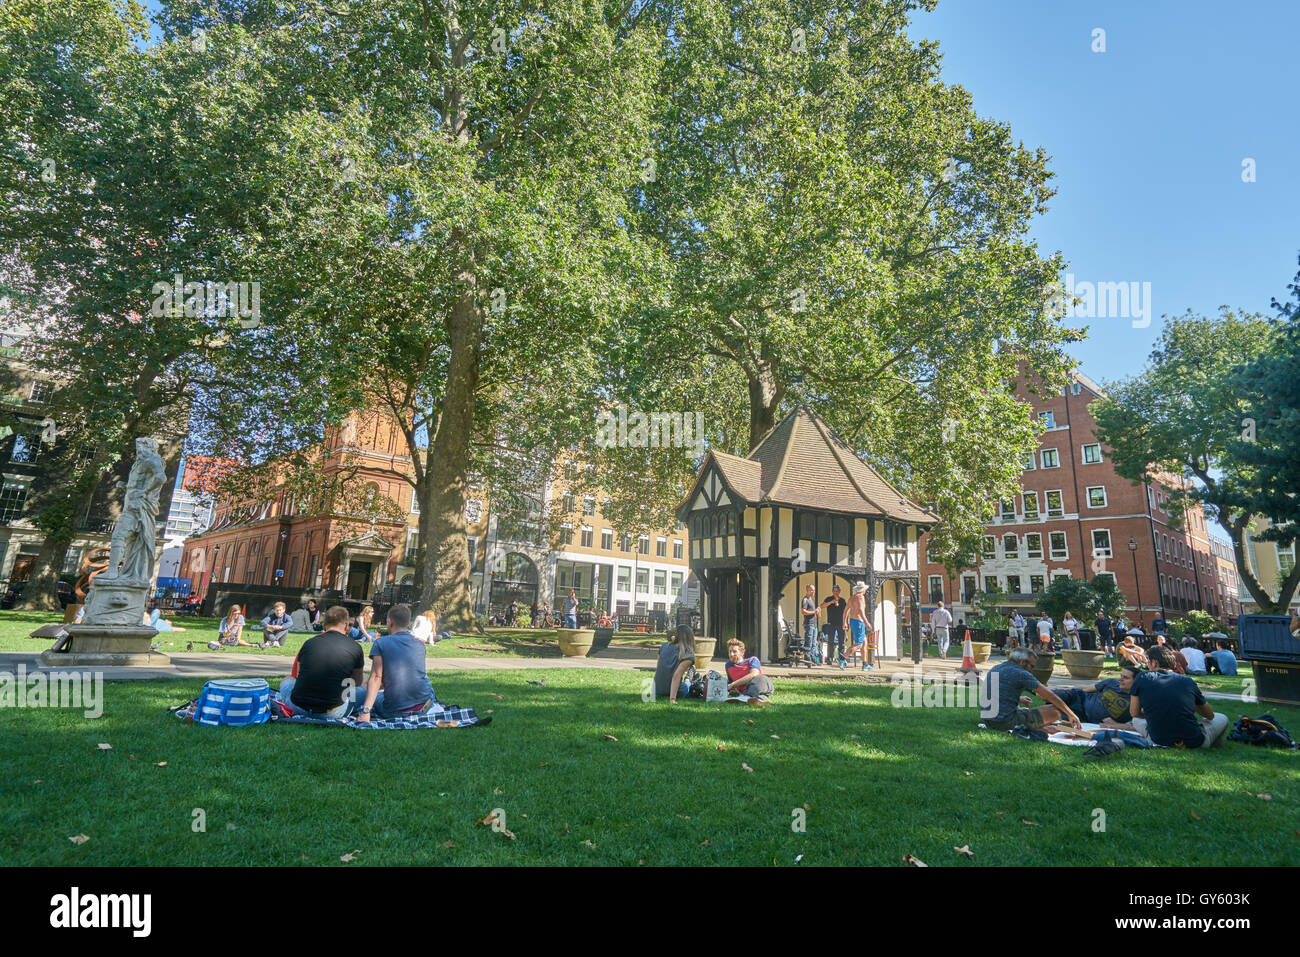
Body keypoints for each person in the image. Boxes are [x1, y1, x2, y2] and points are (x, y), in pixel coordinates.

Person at [1129, 644, 1229, 749]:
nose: (1147, 665)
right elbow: (1210, 715)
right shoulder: (1187, 681)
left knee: (1136, 720)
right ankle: (1217, 746)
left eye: (1148, 662)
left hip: (1159, 741)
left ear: (1154, 663)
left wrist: (1154, 714)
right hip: (1194, 742)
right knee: (1221, 717)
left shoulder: (1142, 678)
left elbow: (1134, 712)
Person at [279, 605, 367, 718]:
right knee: (364, 685)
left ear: (324, 626)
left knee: (287, 681)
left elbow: (298, 676)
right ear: (346, 625)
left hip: (298, 707)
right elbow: (356, 682)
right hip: (332, 711)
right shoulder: (355, 647)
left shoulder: (309, 643)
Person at [356, 604, 436, 721]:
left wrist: (365, 712)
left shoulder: (381, 643)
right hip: (424, 706)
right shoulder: (420, 644)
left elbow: (376, 677)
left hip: (395, 711)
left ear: (389, 622)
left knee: (369, 692)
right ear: (408, 623)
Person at [979, 647, 1082, 732]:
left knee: (1030, 710)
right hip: (1004, 722)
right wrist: (1071, 714)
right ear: (1023, 662)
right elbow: (1050, 696)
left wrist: (1018, 699)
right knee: (1055, 711)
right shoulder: (1021, 673)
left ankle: (1036, 726)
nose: (1032, 670)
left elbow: (994, 692)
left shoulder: (996, 668)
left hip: (989, 720)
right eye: (1031, 666)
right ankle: (1038, 728)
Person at [1050, 664, 1141, 727]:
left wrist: (1116, 724)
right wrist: (1065, 690)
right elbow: (1086, 689)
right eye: (1121, 676)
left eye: (1126, 678)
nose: (1121, 679)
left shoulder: (1137, 700)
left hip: (1082, 717)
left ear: (1136, 682)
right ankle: (1038, 690)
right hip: (1079, 698)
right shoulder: (1112, 682)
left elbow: (1141, 724)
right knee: (1051, 695)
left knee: (1052, 716)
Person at [656, 625, 697, 704]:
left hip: (657, 689)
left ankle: (690, 674)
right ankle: (689, 677)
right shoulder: (688, 654)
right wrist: (672, 699)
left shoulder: (664, 646)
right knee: (687, 685)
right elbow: (676, 676)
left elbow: (659, 667)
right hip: (675, 690)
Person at [724, 638, 773, 704]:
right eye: (730, 651)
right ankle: (757, 700)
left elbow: (754, 674)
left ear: (742, 652)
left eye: (734, 651)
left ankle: (746, 697)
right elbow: (731, 683)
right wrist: (733, 689)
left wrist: (733, 684)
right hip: (745, 692)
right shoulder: (728, 665)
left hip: (760, 686)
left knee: (761, 678)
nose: (731, 654)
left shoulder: (752, 660)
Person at [843, 581, 875, 670]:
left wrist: (844, 622)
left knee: (864, 642)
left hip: (853, 621)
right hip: (859, 622)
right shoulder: (860, 597)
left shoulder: (852, 598)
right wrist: (866, 622)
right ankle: (842, 658)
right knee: (859, 644)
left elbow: (845, 610)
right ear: (863, 590)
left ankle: (865, 664)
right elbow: (861, 611)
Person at [820, 584, 847, 664]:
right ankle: (829, 658)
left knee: (841, 642)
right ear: (832, 591)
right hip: (831, 623)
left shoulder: (842, 600)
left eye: (837, 591)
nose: (836, 592)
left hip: (841, 623)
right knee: (830, 642)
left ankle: (841, 658)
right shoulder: (829, 599)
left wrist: (846, 623)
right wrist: (831, 602)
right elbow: (822, 606)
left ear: (839, 591)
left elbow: (846, 612)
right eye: (834, 591)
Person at [800, 584, 821, 664]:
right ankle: (807, 659)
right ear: (807, 590)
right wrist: (814, 612)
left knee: (814, 642)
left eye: (814, 590)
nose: (813, 592)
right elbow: (803, 611)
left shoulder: (811, 599)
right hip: (809, 624)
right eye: (811, 590)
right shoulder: (805, 600)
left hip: (814, 624)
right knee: (809, 642)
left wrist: (817, 612)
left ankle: (813, 659)